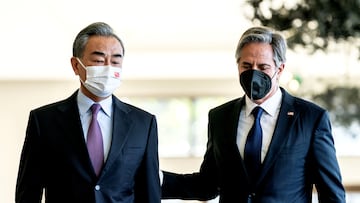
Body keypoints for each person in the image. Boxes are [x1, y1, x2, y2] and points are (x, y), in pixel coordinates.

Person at [161, 26, 346, 202]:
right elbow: (207, 185)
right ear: (238, 66)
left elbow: (331, 193)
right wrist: (155, 178)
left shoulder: (310, 118)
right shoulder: (220, 118)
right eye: (247, 66)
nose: (254, 74)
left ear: (279, 69)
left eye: (263, 67)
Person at [15, 22, 161, 203]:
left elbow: (150, 192)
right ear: (76, 66)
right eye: (99, 60)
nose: (108, 67)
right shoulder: (44, 121)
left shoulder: (144, 123)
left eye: (115, 61)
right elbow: (28, 191)